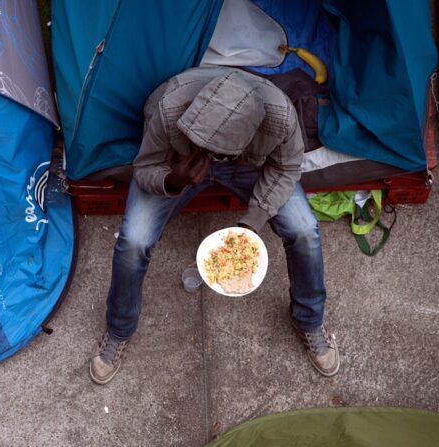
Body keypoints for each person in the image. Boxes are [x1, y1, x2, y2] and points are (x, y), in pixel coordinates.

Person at [88, 67, 340, 385]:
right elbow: (146, 167)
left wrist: (252, 222)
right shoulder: (167, 108)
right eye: (197, 142)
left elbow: (286, 167)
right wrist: (172, 179)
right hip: (175, 165)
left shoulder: (280, 117)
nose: (206, 159)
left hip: (245, 168)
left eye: (214, 154)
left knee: (304, 230)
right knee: (134, 240)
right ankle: (118, 328)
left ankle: (309, 321)